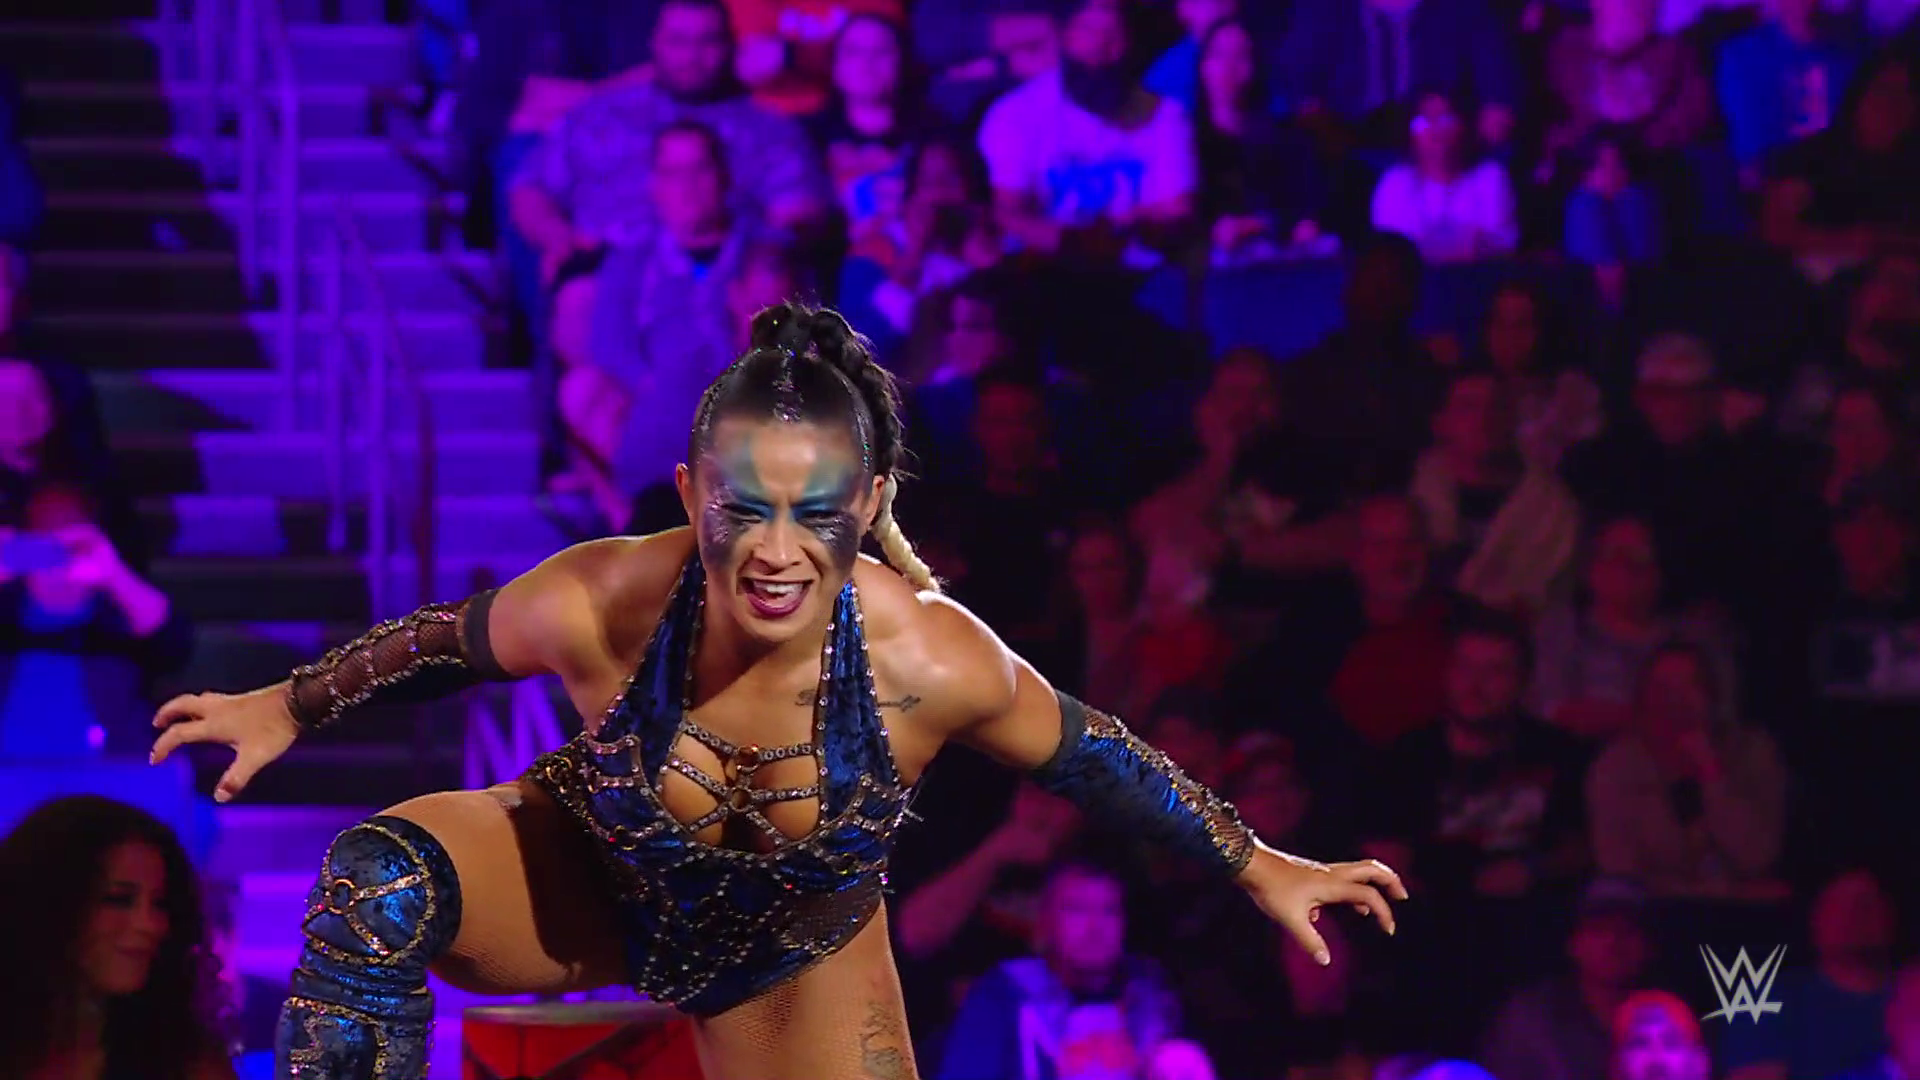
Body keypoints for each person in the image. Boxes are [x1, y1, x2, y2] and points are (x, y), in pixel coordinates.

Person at [148, 302, 1407, 1080]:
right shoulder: (600, 595)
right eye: (743, 509)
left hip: (792, 959)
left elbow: (1092, 754)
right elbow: (444, 641)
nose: (776, 551)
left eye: (817, 514)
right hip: (585, 870)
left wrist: (1258, 864)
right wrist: (288, 706)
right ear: (690, 495)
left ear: (871, 506)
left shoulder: (930, 656)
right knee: (377, 881)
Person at [0, 794, 234, 1080]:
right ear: (46, 905)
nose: (151, 925)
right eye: (119, 899)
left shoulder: (190, 1065)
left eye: (160, 903)